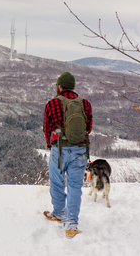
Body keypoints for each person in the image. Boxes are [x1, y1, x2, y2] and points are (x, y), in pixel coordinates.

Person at [43, 71, 92, 238]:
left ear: (59, 86)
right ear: (73, 87)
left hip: (59, 148)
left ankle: (58, 213)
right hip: (79, 150)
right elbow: (89, 128)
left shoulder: (52, 103)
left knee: (57, 183)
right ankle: (71, 224)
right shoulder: (85, 103)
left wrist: (51, 145)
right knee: (75, 187)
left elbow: (47, 129)